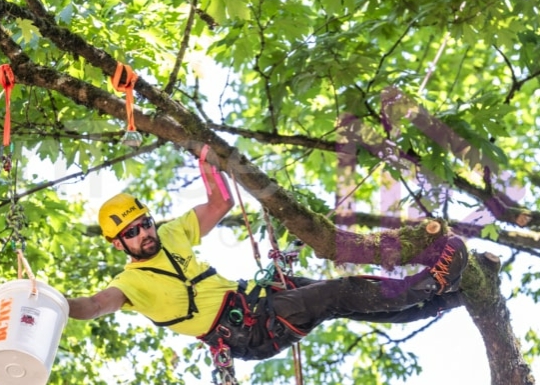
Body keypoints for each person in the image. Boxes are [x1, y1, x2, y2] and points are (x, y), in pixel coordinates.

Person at [66, 149, 468, 362]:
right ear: (118, 244)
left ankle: (438, 300)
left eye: (145, 223)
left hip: (258, 301)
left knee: (348, 299)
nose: (144, 234)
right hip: (247, 330)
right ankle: (431, 282)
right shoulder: (129, 284)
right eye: (132, 233)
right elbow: (92, 305)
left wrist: (205, 158)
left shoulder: (171, 233)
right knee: (338, 294)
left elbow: (219, 203)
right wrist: (54, 304)